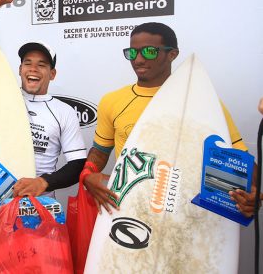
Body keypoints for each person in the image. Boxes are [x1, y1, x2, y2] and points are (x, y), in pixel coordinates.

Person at [82, 22, 252, 215]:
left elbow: (239, 161)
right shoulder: (112, 101)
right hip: (129, 208)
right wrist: (87, 174)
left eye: (149, 52)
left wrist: (251, 193)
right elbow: (100, 151)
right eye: (132, 52)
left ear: (172, 54)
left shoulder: (205, 103)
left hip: (184, 212)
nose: (138, 60)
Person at [0, 0, 87, 197]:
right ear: (20, 69)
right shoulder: (4, 94)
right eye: (27, 63)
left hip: (38, 207)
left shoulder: (64, 112)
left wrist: (43, 182)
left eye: (41, 65)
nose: (33, 69)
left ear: (52, 74)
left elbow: (77, 165)